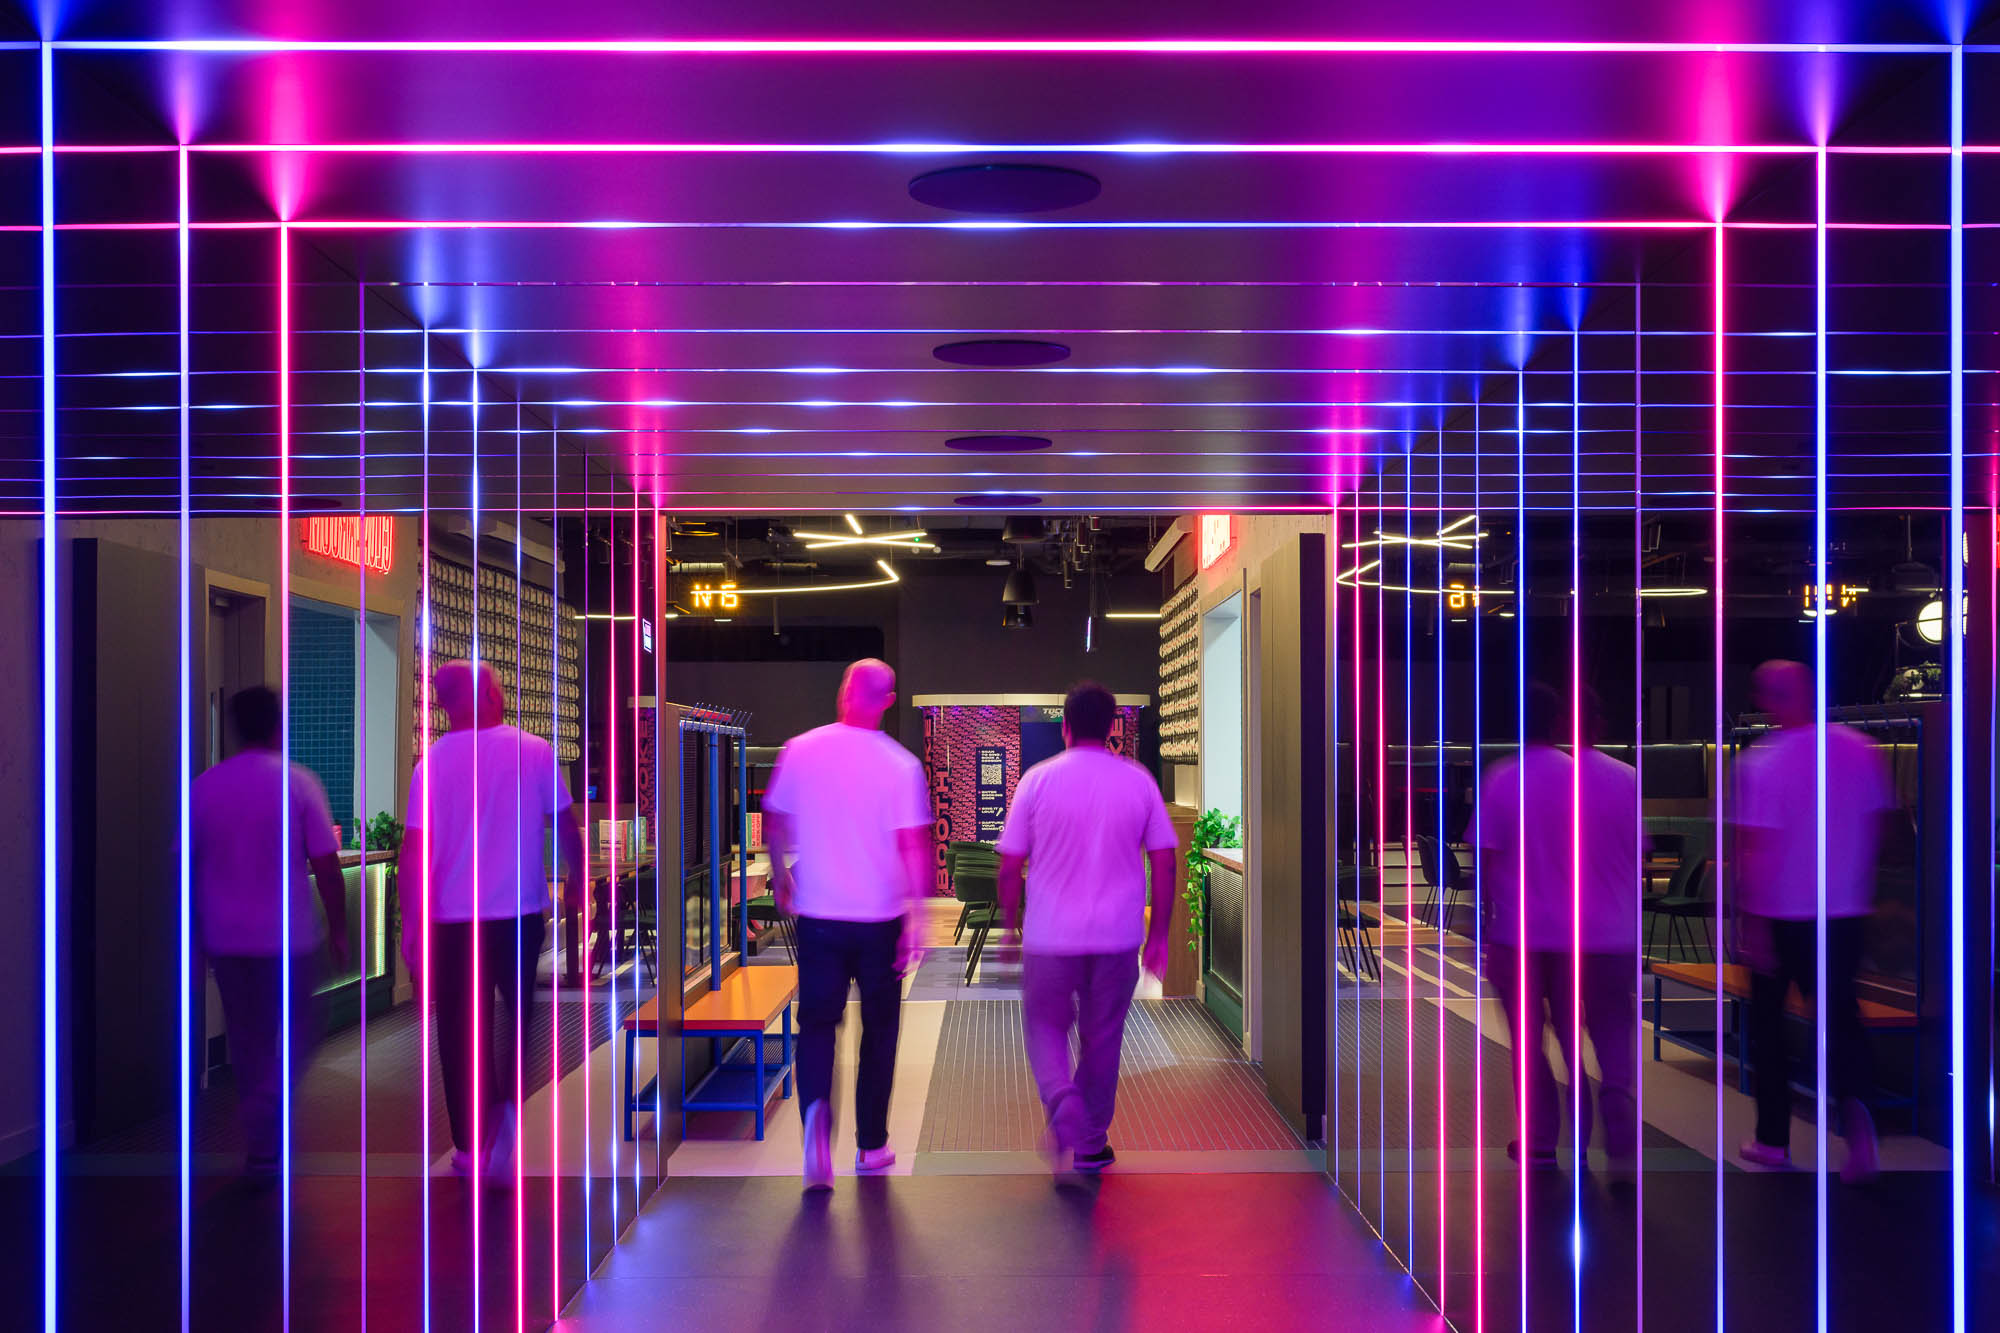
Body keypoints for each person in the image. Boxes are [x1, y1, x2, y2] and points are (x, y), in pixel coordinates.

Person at [400, 660, 584, 1181]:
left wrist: (411, 930)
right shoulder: (534, 751)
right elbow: (566, 825)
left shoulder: (429, 765)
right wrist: (574, 880)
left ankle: (469, 1146)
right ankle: (506, 1108)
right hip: (519, 916)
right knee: (518, 1020)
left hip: (453, 922)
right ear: (486, 696)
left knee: (461, 1032)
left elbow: (415, 853)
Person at [764, 658, 932, 1191]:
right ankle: (871, 1145)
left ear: (844, 692)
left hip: (818, 917)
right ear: (887, 699)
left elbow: (774, 816)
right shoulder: (901, 764)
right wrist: (918, 918)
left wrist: (780, 875)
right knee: (879, 1032)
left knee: (817, 1024)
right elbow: (913, 847)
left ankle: (817, 1118)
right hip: (879, 920)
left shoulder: (801, 749)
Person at [997, 681, 1178, 1174]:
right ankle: (1091, 1143)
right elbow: (1164, 862)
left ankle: (1060, 1096)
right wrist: (1159, 934)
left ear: (1065, 726)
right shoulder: (1138, 781)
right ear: (1113, 725)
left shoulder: (1036, 780)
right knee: (1103, 1038)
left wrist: (1011, 929)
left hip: (1050, 938)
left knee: (1043, 1024)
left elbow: (1010, 863)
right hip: (1118, 938)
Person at [1733, 659, 1892, 1181]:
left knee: (1769, 1031)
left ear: (1767, 700)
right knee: (1841, 1019)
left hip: (1781, 914)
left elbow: (1754, 848)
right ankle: (1857, 1113)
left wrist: (1749, 924)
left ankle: (1773, 1141)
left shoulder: (1762, 761)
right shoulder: (1858, 747)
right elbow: (1880, 827)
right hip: (1844, 911)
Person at [1474, 682, 1641, 1173]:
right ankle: (1602, 1119)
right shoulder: (1598, 778)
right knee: (1582, 1034)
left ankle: (1542, 1138)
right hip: (1587, 933)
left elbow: (1487, 860)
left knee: (1527, 1043)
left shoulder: (1503, 779)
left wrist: (1485, 926)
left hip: (1520, 933)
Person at [190, 685, 349, 1181]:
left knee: (247, 1038)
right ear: (278, 724)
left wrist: (196, 938)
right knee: (300, 1032)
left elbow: (188, 868)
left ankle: (262, 1133)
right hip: (290, 941)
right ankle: (267, 1113)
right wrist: (340, 928)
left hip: (228, 940)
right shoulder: (298, 783)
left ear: (235, 727)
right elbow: (326, 865)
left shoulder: (206, 786)